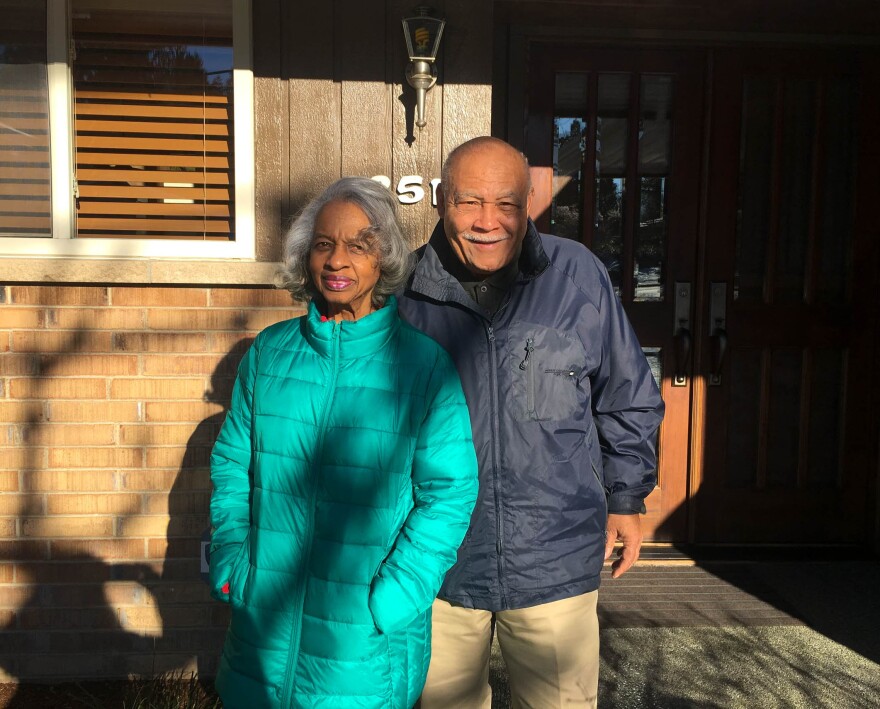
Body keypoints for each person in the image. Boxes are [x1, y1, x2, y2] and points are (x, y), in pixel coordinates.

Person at [398, 137, 664, 708]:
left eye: (506, 204)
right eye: (469, 202)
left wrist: (627, 497)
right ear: (441, 200)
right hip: (437, 564)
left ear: (530, 203)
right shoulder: (403, 291)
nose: (487, 221)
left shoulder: (576, 277)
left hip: (554, 555)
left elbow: (627, 392)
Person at [208, 177, 479, 709]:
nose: (338, 260)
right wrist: (234, 564)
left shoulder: (422, 367)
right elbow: (231, 464)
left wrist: (393, 600)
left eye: (359, 244)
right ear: (305, 257)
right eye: (324, 244)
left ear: (386, 260)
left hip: (364, 638)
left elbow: (448, 495)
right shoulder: (269, 353)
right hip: (263, 626)